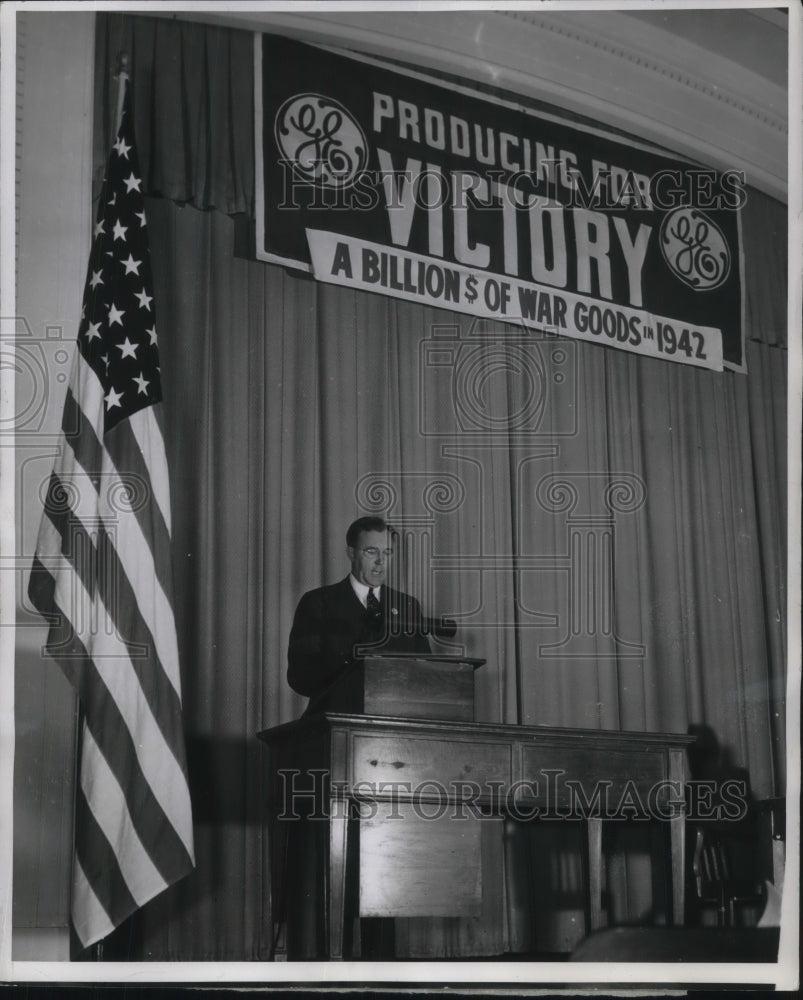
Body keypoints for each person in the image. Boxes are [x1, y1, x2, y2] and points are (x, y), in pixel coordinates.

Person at [287, 515, 432, 714]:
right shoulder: (318, 602)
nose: (381, 561)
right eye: (371, 551)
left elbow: (426, 674)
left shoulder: (407, 606)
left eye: (388, 552)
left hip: (396, 723)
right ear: (352, 553)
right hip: (333, 722)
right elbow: (299, 676)